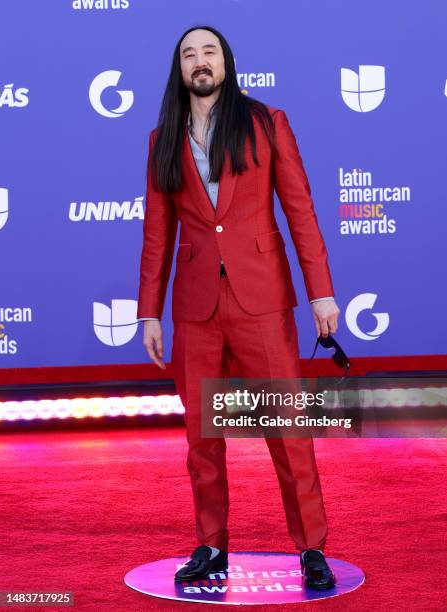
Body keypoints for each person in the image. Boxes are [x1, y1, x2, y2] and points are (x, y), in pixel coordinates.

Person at [137, 25, 340, 590]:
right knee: (202, 438)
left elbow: (301, 210)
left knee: (287, 430)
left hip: (262, 303)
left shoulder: (266, 122)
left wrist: (321, 292)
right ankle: (210, 546)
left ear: (226, 61)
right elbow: (157, 234)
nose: (199, 62)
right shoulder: (162, 140)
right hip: (195, 308)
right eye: (188, 55)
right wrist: (148, 311)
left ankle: (311, 549)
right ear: (180, 70)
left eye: (208, 52)